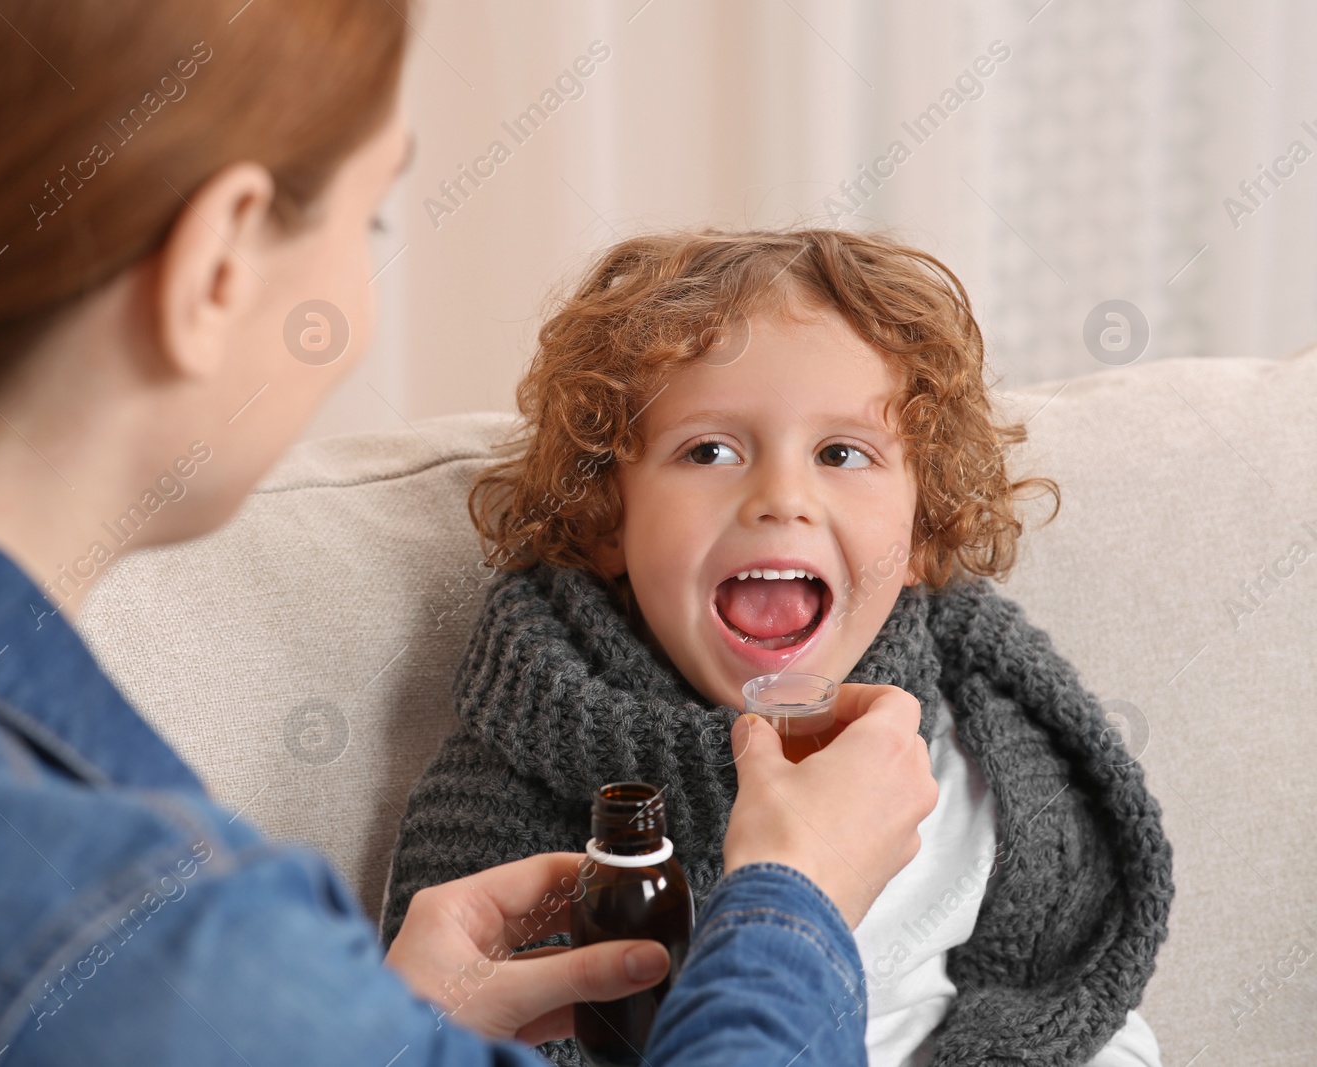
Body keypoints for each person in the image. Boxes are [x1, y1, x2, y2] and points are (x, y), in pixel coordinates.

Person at [0, 2, 939, 1064]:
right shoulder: (120, 930)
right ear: (215, 265)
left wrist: (367, 1028)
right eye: (368, 223)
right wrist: (798, 898)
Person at [379, 229, 1177, 1066]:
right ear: (608, 518)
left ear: (920, 531)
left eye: (842, 452)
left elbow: (1078, 1002)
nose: (782, 497)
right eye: (710, 450)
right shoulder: (513, 786)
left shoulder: (982, 741)